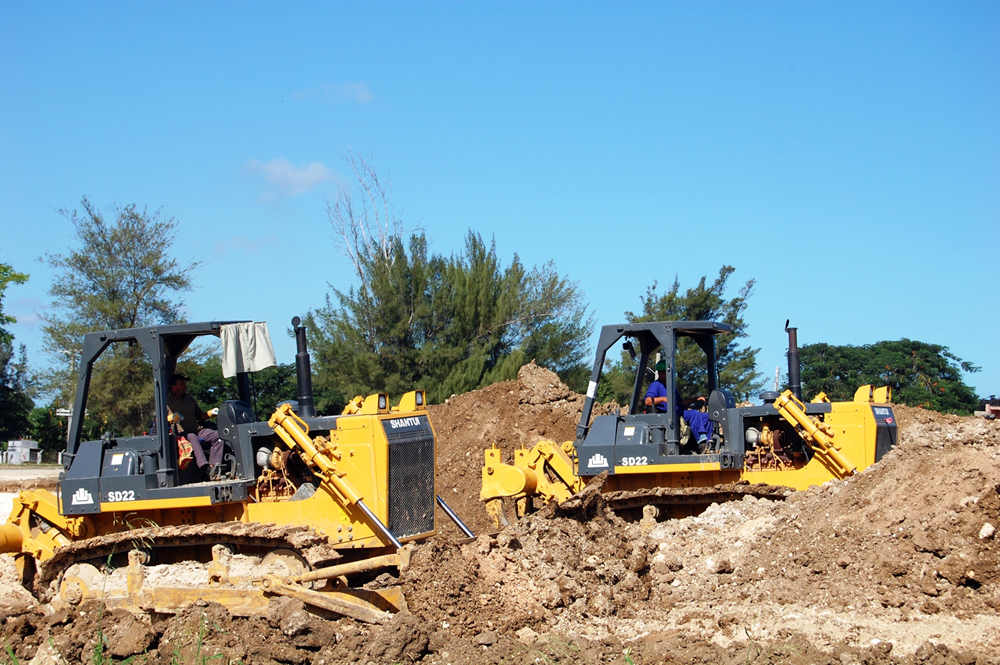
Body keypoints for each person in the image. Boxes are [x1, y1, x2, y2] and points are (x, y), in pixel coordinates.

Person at [643, 360, 713, 448]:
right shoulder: (656, 385)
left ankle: (709, 441)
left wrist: (695, 399)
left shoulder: (672, 387)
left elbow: (681, 403)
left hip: (679, 412)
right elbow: (648, 401)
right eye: (667, 372)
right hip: (669, 416)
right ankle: (701, 441)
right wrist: (663, 399)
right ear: (661, 373)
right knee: (694, 413)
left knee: (707, 417)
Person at [166, 373, 222, 478]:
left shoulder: (189, 398)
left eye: (185, 383)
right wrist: (170, 418)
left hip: (197, 430)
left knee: (218, 435)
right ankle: (205, 467)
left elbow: (200, 416)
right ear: (173, 387)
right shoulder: (166, 402)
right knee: (192, 436)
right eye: (181, 384)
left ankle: (214, 467)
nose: (185, 386)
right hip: (180, 433)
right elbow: (157, 420)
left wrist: (210, 413)